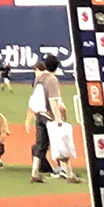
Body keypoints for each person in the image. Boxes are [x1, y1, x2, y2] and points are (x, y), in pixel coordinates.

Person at [29, 55, 76, 183]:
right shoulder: (52, 80)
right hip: (49, 116)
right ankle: (69, 174)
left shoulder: (39, 78)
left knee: (41, 145)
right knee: (61, 144)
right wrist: (58, 119)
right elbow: (53, 101)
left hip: (39, 114)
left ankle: (35, 173)